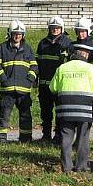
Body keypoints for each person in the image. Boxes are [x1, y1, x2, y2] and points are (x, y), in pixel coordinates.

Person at [48, 43, 93, 173]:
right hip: (84, 109)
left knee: (66, 138)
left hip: (65, 110)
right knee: (83, 138)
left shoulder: (62, 68)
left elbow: (52, 88)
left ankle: (66, 166)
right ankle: (81, 166)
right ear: (86, 55)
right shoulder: (91, 69)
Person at [0, 20, 38, 143]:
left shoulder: (28, 49)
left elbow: (34, 66)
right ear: (10, 34)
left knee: (25, 116)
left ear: (23, 35)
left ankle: (25, 140)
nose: (17, 36)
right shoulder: (1, 48)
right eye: (15, 33)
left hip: (23, 90)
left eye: (20, 33)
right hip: (7, 90)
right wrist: (4, 80)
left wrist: (29, 80)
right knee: (4, 115)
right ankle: (1, 139)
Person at [36, 16, 71, 144]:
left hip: (60, 86)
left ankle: (58, 136)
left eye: (57, 28)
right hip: (44, 85)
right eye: (52, 28)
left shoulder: (67, 43)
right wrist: (36, 80)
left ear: (62, 29)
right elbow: (37, 63)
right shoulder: (43, 43)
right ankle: (46, 134)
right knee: (45, 112)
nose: (55, 30)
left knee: (60, 111)